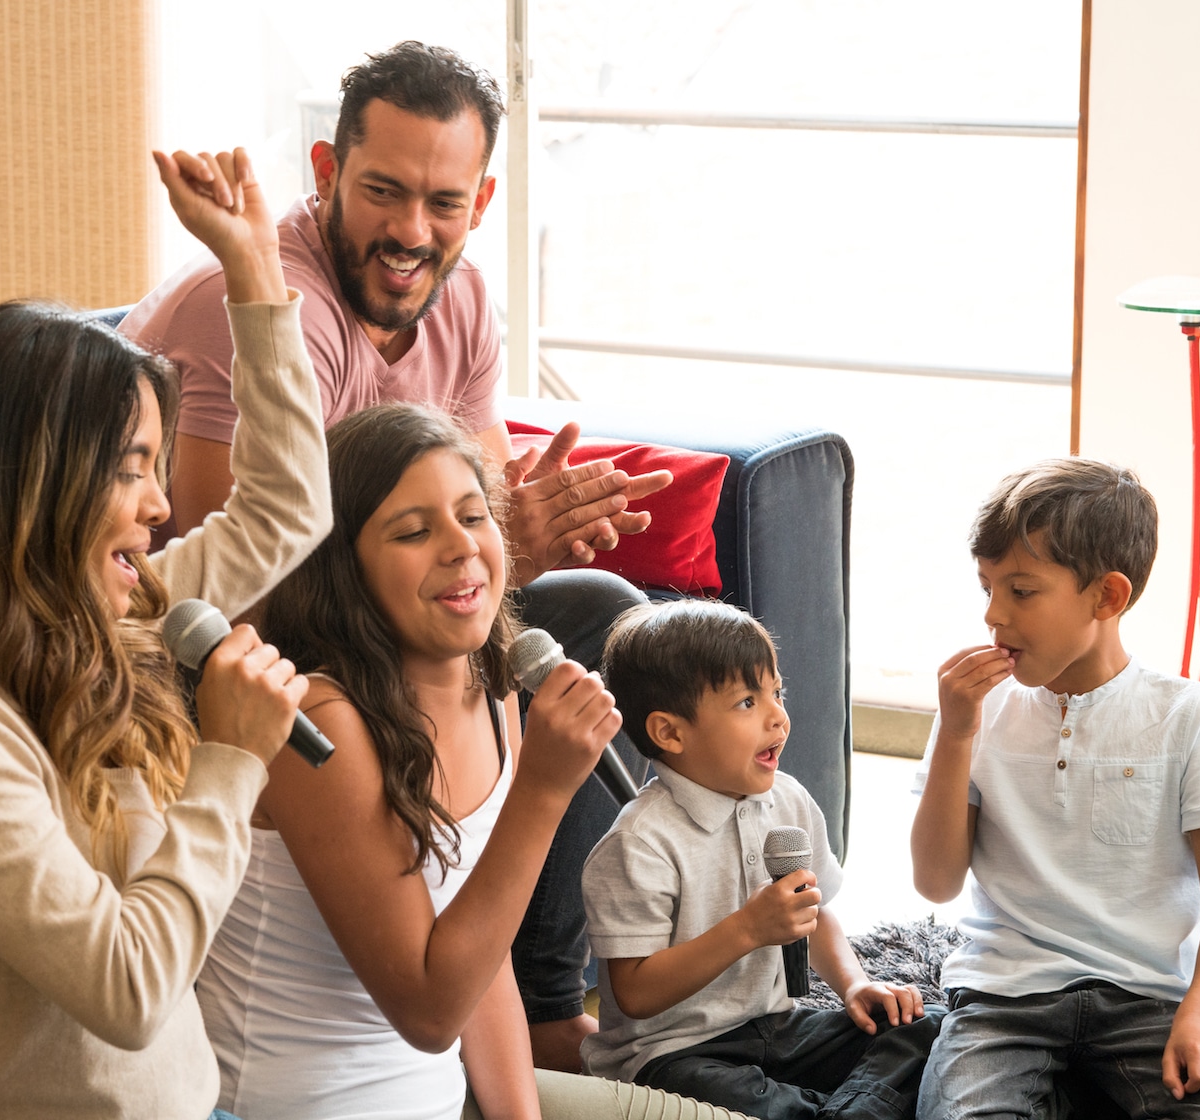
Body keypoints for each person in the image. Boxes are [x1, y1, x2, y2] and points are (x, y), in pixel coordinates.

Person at [121, 40, 672, 1068]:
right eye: (382, 192)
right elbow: (239, 587)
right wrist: (491, 542)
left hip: (358, 596)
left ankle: (545, 997)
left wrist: (513, 535)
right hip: (212, 648)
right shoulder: (261, 309)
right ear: (328, 172)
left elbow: (474, 510)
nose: (412, 231)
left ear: (484, 197)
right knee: (492, 652)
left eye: (443, 202)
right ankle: (497, 990)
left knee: (586, 612)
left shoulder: (460, 302)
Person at [0, 147, 332, 1118]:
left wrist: (252, 273)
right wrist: (227, 762)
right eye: (131, 469)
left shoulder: (105, 620)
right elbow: (129, 989)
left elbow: (287, 505)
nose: (160, 505)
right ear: (35, 486)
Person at [196, 402, 751, 1120]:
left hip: (445, 1099)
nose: (460, 548)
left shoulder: (493, 680)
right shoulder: (316, 727)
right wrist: (545, 791)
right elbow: (429, 1012)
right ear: (344, 569)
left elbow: (482, 963)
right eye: (414, 532)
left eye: (473, 516)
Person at [910, 458, 1200, 1117]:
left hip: (1149, 998)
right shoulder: (976, 712)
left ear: (1107, 597)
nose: (992, 616)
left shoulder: (1187, 714)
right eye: (986, 588)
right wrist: (955, 735)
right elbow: (936, 882)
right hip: (1003, 998)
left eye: (1020, 591)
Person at [581, 599, 943, 1119]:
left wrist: (855, 984)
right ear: (671, 732)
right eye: (747, 703)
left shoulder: (789, 799)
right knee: (742, 1100)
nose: (778, 716)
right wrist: (747, 929)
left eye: (777, 692)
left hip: (776, 1027)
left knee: (920, 1028)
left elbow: (813, 914)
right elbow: (635, 993)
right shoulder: (639, 843)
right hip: (673, 1055)